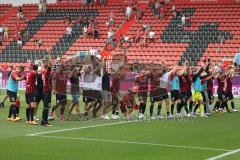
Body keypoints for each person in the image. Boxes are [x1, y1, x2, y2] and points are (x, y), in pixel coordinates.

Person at [41, 54, 53, 127]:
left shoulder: (43, 71)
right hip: (47, 91)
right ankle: (45, 121)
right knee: (47, 107)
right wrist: (49, 54)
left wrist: (42, 62)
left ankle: (44, 120)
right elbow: (50, 63)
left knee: (46, 106)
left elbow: (43, 65)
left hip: (44, 91)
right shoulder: (47, 72)